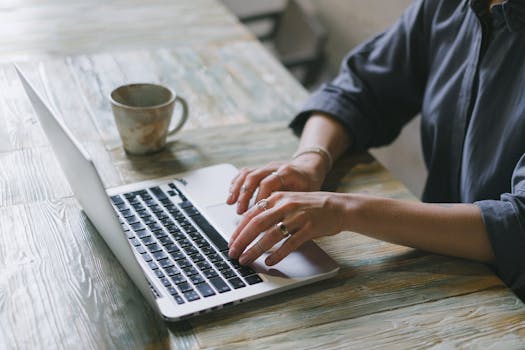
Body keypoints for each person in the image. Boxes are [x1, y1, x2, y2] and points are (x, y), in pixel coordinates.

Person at [227, 0, 525, 300]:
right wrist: (311, 160)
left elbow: (517, 228)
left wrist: (342, 210)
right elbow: (359, 90)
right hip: (442, 270)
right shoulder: (448, 7)